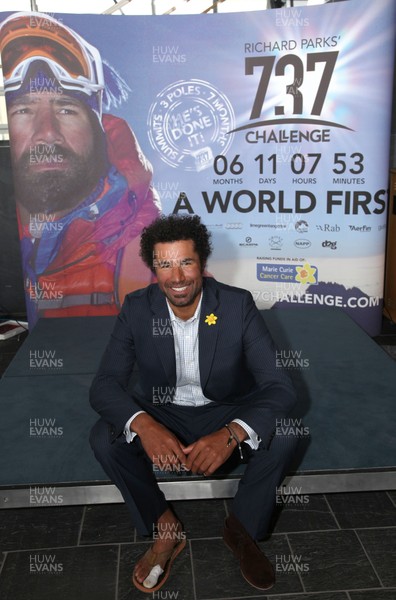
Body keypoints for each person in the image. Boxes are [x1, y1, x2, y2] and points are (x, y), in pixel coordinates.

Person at [89, 214, 298, 593]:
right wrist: (145, 426)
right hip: (162, 409)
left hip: (225, 409)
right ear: (154, 269)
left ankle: (242, 530)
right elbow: (103, 385)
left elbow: (280, 387)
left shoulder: (236, 306)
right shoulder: (137, 308)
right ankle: (164, 526)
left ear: (202, 263)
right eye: (165, 264)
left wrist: (233, 432)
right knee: (104, 437)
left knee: (284, 434)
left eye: (186, 262)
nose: (177, 276)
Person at [0, 12, 160, 327]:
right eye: (24, 109)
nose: (46, 132)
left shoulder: (150, 252)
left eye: (65, 108)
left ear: (98, 125)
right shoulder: (16, 232)